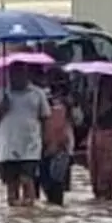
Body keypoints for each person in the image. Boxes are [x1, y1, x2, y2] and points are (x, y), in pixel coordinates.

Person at [0, 62, 50, 208]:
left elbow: (45, 118)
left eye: (19, 73)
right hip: (8, 145)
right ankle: (15, 217)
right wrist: (1, 107)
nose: (15, 77)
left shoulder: (38, 93)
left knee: (27, 179)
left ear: (26, 74)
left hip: (31, 145)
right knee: (11, 185)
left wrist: (45, 142)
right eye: (12, 74)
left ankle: (29, 214)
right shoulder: (2, 93)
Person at [87, 76, 112, 201]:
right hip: (97, 138)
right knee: (96, 173)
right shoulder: (94, 101)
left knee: (107, 174)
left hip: (110, 141)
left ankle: (106, 197)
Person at [39, 78, 75, 206]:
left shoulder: (61, 110)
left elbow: (64, 134)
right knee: (49, 187)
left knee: (56, 187)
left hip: (58, 153)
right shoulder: (44, 112)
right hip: (45, 152)